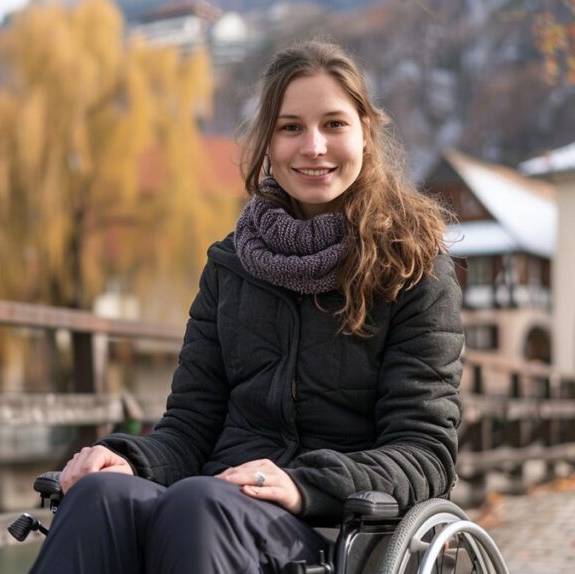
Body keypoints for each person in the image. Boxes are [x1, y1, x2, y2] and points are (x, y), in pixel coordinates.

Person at [29, 40, 463, 574]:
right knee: (100, 496)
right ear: (267, 142)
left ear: (366, 135)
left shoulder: (413, 266)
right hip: (213, 507)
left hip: (335, 526)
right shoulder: (231, 266)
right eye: (290, 127)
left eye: (333, 124)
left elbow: (425, 453)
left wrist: (303, 485)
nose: (313, 146)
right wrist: (130, 460)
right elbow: (190, 426)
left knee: (197, 502)